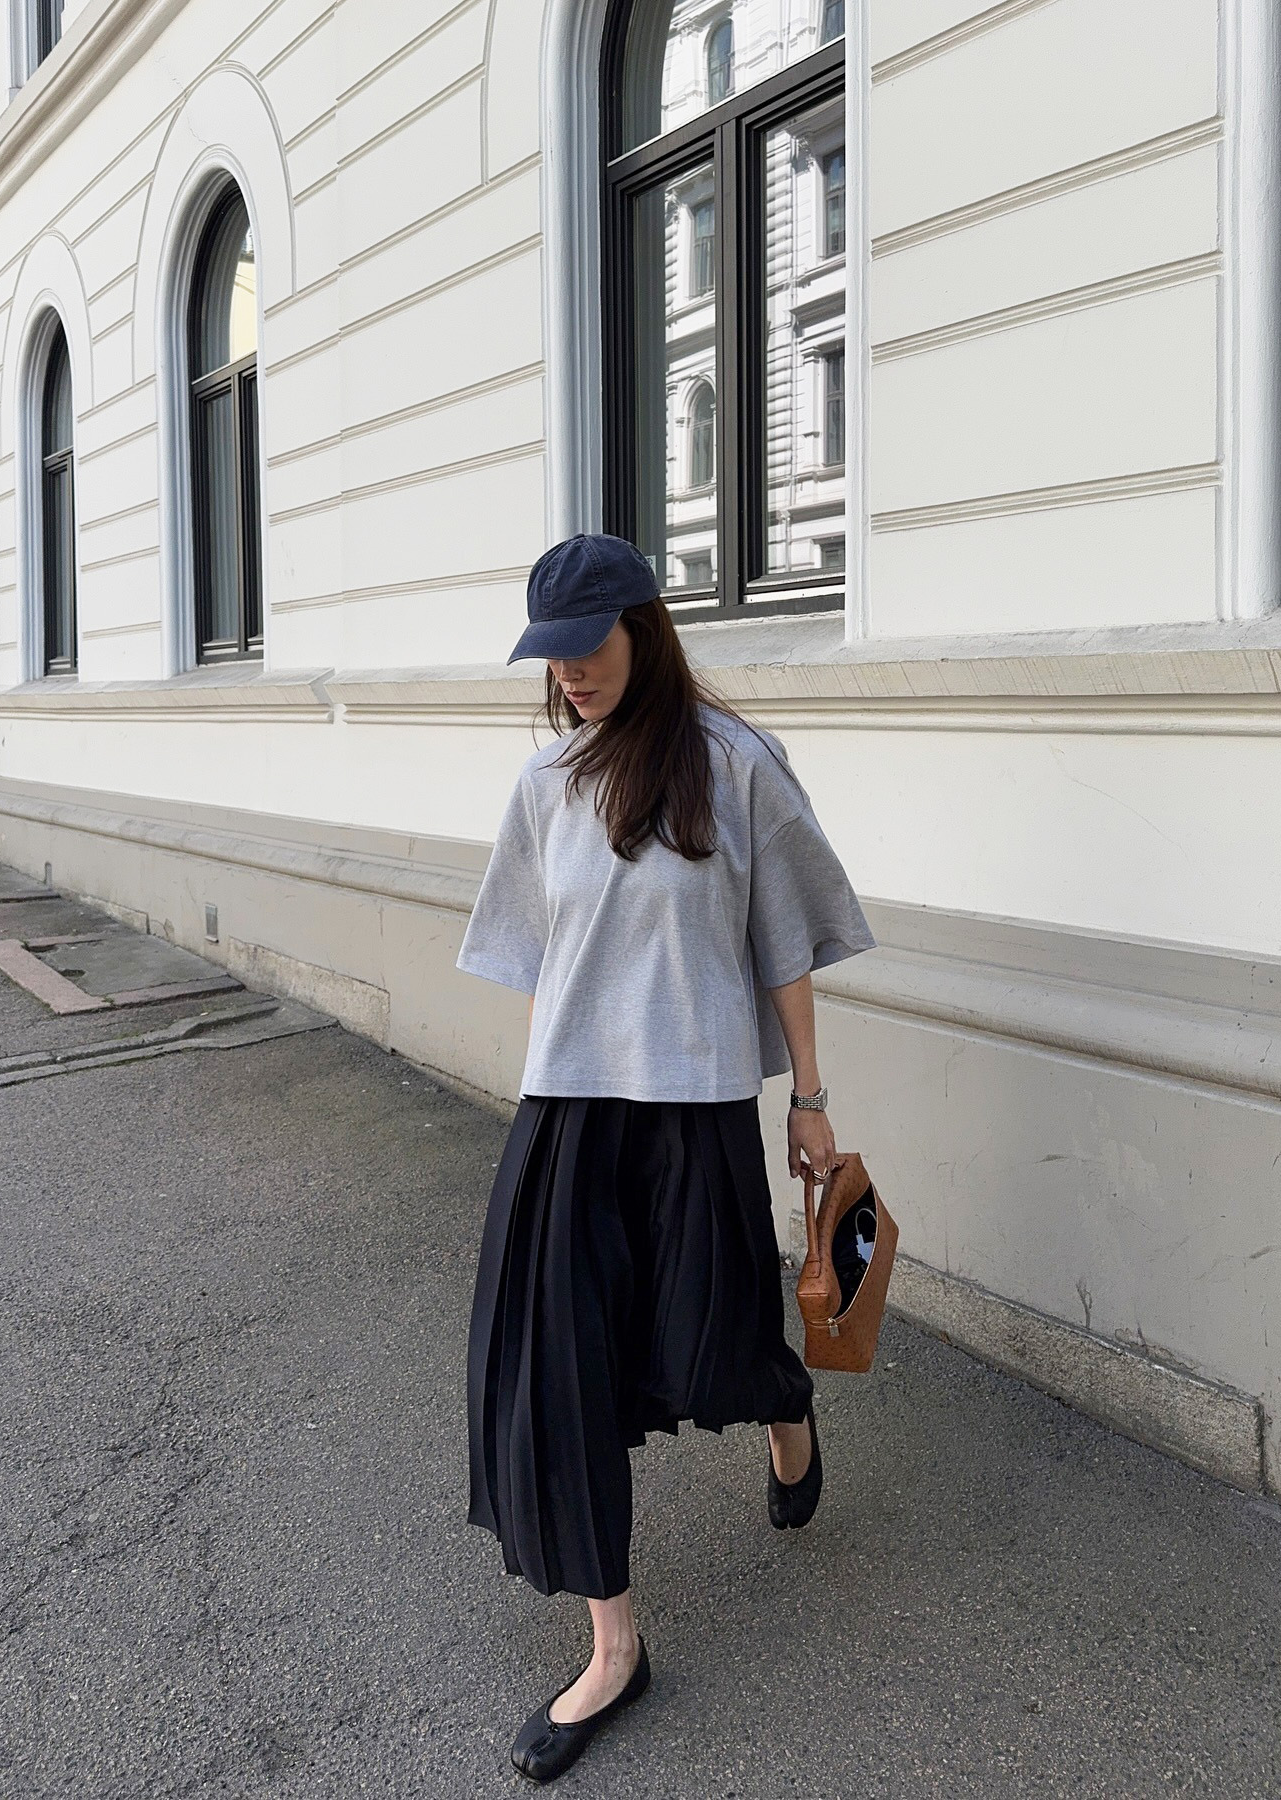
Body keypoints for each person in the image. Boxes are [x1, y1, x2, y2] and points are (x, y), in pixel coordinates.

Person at [456, 533, 875, 1783]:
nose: (572, 673)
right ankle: (614, 1646)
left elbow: (784, 941)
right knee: (558, 1375)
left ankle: (784, 1404)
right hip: (571, 1115)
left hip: (693, 1107)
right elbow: (542, 965)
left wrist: (810, 1098)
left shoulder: (736, 767)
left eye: (591, 646)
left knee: (714, 1339)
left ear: (645, 628)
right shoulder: (545, 785)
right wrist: (537, 1106)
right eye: (555, 655)